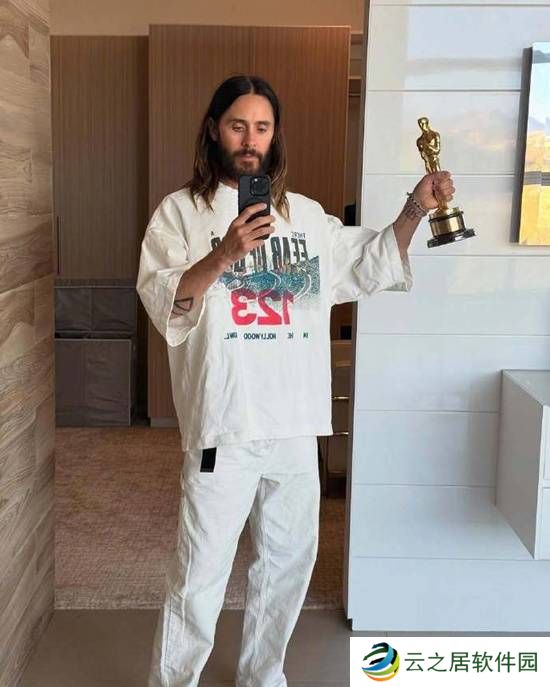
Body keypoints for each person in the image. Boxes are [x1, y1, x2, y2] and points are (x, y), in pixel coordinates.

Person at [136, 74, 455, 687]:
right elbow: (166, 301)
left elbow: (369, 262)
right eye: (238, 125)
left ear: (274, 135)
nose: (249, 139)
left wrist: (416, 208)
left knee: (286, 567)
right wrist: (223, 255)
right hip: (224, 425)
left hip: (294, 424)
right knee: (200, 571)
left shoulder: (304, 217)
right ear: (214, 129)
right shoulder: (179, 213)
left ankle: (263, 675)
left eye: (262, 127)